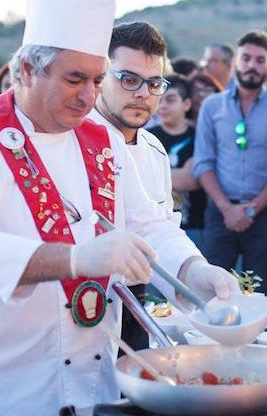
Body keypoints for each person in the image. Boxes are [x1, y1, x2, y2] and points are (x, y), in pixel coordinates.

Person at [0, 0, 237, 413]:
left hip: (93, 382)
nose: (89, 97)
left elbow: (146, 223)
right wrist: (75, 259)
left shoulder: (102, 137)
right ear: (25, 70)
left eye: (96, 79)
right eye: (73, 79)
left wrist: (195, 271)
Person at [88, 21, 182, 351]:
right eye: (129, 80)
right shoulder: (73, 141)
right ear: (100, 76)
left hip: (137, 305)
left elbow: (159, 228)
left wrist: (193, 276)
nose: (142, 93)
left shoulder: (155, 150)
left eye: (154, 83)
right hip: (83, 308)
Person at [194, 30, 267, 289]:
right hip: (220, 211)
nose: (253, 65)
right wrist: (227, 209)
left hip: (263, 215)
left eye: (260, 60)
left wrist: (251, 210)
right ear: (236, 62)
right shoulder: (212, 106)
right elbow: (203, 163)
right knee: (214, 290)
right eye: (247, 58)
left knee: (256, 290)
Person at [148, 74, 207, 249]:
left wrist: (153, 173)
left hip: (193, 227)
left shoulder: (199, 137)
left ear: (187, 104)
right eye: (160, 99)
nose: (163, 106)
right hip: (156, 227)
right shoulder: (146, 137)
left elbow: (190, 180)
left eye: (171, 100)